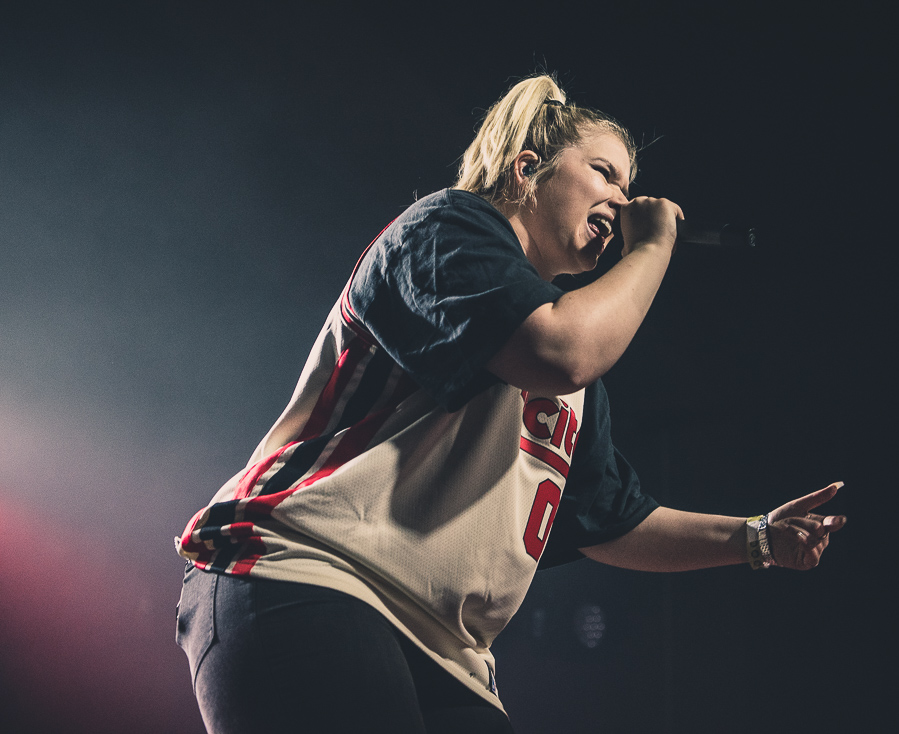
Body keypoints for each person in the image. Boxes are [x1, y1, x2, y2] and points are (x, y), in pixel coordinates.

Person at [174, 74, 846, 734]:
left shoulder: (575, 379)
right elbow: (562, 349)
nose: (623, 197)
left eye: (629, 186)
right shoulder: (445, 229)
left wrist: (756, 538)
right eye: (606, 173)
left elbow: (611, 521)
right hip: (308, 572)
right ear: (529, 169)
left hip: (448, 650)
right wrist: (654, 245)